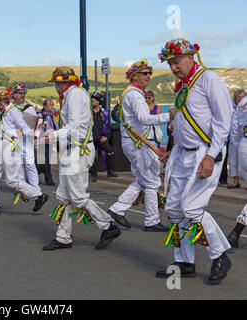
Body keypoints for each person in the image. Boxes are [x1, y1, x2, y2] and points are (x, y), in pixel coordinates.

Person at [155, 38, 232, 284]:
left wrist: (210, 156)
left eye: (176, 62)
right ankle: (184, 261)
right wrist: (173, 148)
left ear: (191, 57)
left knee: (192, 208)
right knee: (175, 210)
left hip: (205, 152)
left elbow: (223, 121)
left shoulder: (209, 79)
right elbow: (183, 121)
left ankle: (220, 254)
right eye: (170, 64)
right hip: (182, 152)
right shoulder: (183, 86)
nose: (174, 68)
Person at [40, 67, 121, 251]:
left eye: (57, 82)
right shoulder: (72, 95)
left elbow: (74, 125)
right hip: (72, 149)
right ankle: (63, 237)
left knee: (77, 197)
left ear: (63, 83)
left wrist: (54, 135)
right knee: (63, 195)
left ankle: (108, 226)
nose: (56, 86)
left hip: (79, 150)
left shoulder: (75, 95)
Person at [107, 59, 173, 232]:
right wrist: (169, 116)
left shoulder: (131, 92)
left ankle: (120, 209)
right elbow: (145, 119)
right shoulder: (135, 95)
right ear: (135, 76)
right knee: (151, 181)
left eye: (150, 73)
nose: (149, 76)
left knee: (145, 180)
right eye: (145, 73)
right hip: (139, 143)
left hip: (137, 142)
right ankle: (148, 220)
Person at [0, 89, 49, 217]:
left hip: (9, 148)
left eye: (1, 100)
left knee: (11, 181)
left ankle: (38, 195)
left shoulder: (13, 111)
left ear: (6, 100)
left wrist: (28, 138)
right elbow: (1, 131)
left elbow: (26, 128)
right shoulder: (3, 113)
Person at [11, 82, 42, 194]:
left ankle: (36, 188)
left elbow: (36, 126)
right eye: (20, 93)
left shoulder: (29, 109)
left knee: (30, 165)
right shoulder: (10, 109)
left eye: (23, 93)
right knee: (17, 165)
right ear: (14, 95)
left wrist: (36, 142)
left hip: (27, 140)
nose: (22, 94)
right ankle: (22, 188)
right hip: (14, 140)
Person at [226, 95, 247, 248]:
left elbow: (234, 129)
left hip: (243, 145)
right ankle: (237, 230)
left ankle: (237, 230)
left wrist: (238, 145)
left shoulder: (242, 103)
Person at [89, 91, 118, 182]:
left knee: (110, 151)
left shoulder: (104, 112)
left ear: (98, 102)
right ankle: (93, 174)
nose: (91, 102)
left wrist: (106, 137)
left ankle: (110, 171)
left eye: (93, 101)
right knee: (91, 155)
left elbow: (108, 125)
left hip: (100, 137)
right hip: (90, 138)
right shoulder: (88, 112)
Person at [227, 89, 246, 189]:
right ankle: (235, 181)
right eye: (238, 97)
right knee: (233, 160)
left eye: (242, 97)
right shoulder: (230, 108)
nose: (240, 99)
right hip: (232, 138)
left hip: (244, 138)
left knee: (245, 161)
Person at [37, 98, 58, 186]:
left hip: (51, 139)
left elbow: (55, 126)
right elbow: (38, 127)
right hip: (43, 139)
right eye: (50, 104)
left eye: (52, 104)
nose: (51, 106)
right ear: (45, 106)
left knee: (47, 160)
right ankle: (48, 179)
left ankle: (40, 175)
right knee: (44, 160)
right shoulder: (40, 115)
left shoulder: (51, 115)